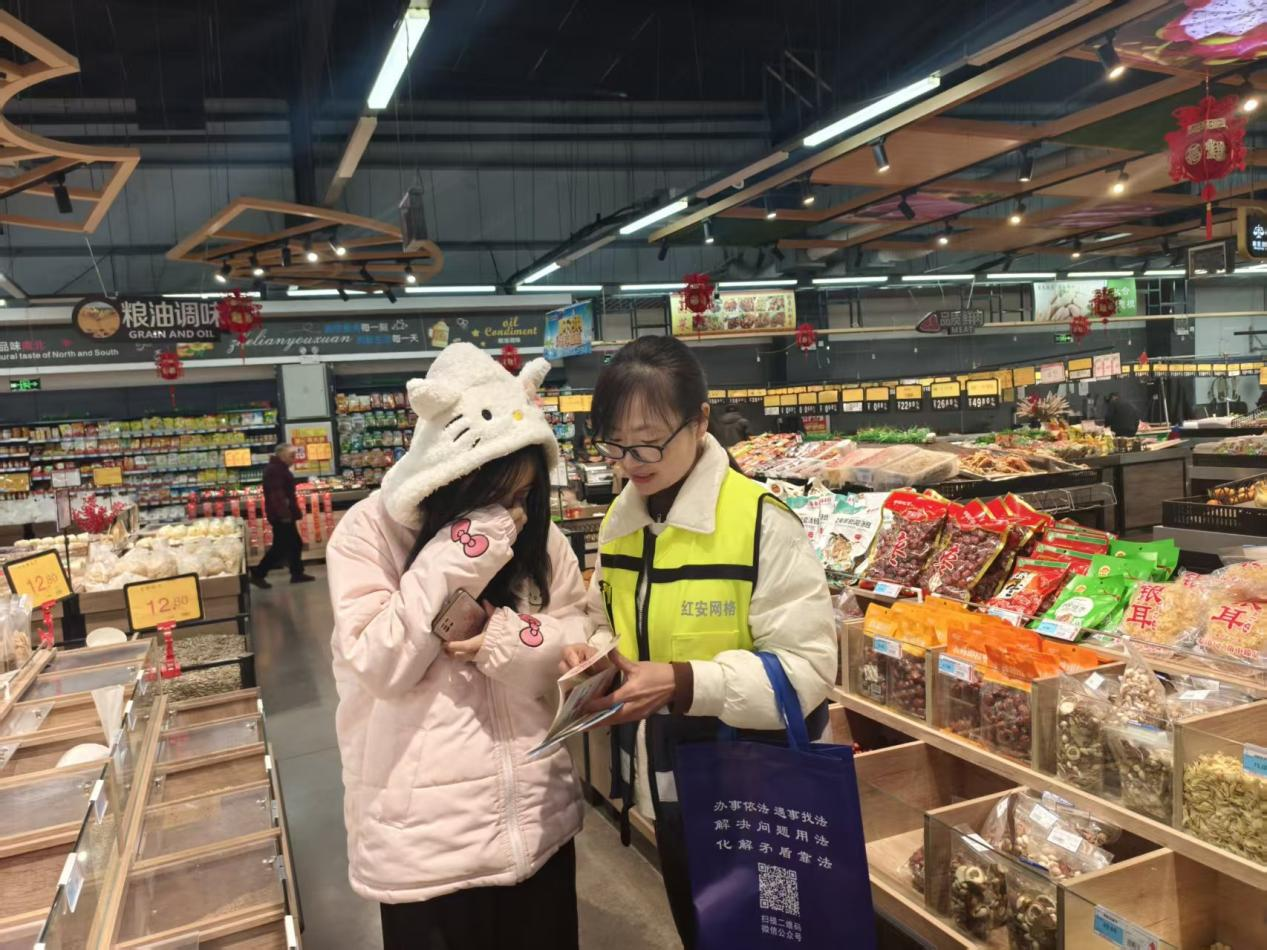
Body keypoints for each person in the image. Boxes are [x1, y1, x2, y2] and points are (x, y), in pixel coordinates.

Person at [562, 336, 837, 949]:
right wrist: (594, 652)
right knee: (700, 930)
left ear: (700, 420)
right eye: (614, 443)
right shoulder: (622, 521)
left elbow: (809, 670)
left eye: (649, 441)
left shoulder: (762, 521)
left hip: (756, 792)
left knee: (769, 937)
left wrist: (683, 682)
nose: (631, 461)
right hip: (669, 784)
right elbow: (608, 618)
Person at [327, 343, 587, 950]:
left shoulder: (540, 535)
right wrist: (464, 548)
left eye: (525, 495)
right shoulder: (370, 531)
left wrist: (506, 640)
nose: (514, 515)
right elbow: (380, 665)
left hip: (537, 827)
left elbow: (578, 635)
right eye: (497, 495)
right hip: (425, 853)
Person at [250, 444, 314, 587]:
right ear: (282, 456)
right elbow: (277, 496)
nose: (294, 459)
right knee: (280, 547)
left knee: (294, 543)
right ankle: (258, 573)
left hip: (284, 513)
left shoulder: (278, 468)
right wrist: (284, 514)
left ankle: (297, 573)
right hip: (281, 515)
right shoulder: (275, 470)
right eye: (291, 456)